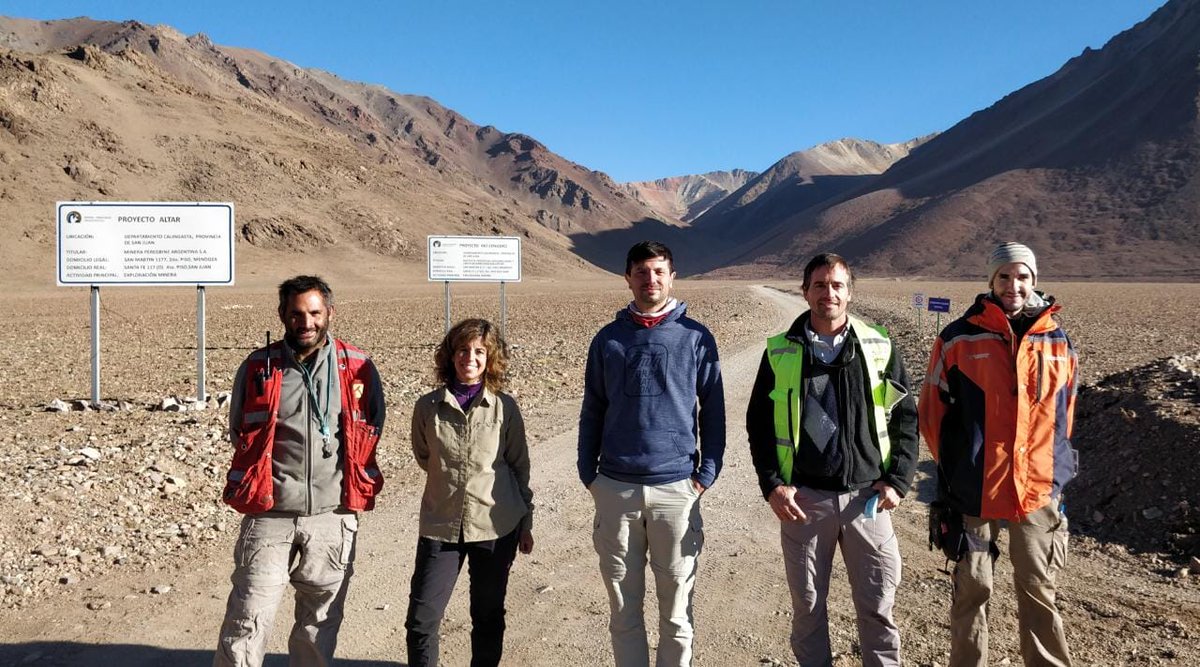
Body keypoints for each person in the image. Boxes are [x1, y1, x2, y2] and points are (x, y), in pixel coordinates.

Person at [746, 252, 918, 667]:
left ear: (850, 292)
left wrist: (898, 480)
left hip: (868, 500)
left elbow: (906, 418)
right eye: (820, 285)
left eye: (837, 285)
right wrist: (773, 485)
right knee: (808, 609)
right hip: (805, 501)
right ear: (805, 292)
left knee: (878, 608)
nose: (829, 293)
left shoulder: (878, 346)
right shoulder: (780, 352)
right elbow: (760, 427)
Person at [919, 242, 1078, 667]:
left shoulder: (1056, 341)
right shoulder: (958, 338)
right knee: (973, 589)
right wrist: (958, 468)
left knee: (1039, 588)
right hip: (975, 492)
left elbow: (1066, 416)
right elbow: (932, 415)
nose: (1013, 286)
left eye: (1022, 276)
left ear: (1034, 280)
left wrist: (1052, 469)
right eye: (1004, 276)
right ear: (991, 280)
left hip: (1037, 489)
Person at [214, 275, 386, 667]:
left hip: (333, 514)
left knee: (319, 622)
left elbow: (372, 426)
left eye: (314, 313)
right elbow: (239, 429)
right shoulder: (259, 367)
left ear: (330, 313)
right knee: (247, 617)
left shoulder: (356, 367)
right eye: (296, 314)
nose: (306, 322)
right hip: (269, 512)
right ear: (282, 315)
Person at [578, 240, 725, 667]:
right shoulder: (608, 339)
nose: (650, 279)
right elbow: (593, 408)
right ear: (628, 278)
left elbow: (713, 410)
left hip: (676, 490)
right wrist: (589, 474)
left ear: (672, 277)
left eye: (659, 271)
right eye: (641, 272)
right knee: (624, 612)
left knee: (676, 612)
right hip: (616, 489)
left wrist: (705, 475)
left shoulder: (696, 337)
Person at [406, 318, 534, 667]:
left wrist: (526, 521)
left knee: (487, 616)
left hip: (495, 525)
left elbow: (518, 466)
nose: (470, 358)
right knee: (421, 621)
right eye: (463, 350)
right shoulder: (427, 407)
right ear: (450, 355)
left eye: (480, 351)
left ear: (490, 358)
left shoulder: (505, 408)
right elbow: (425, 456)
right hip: (440, 525)